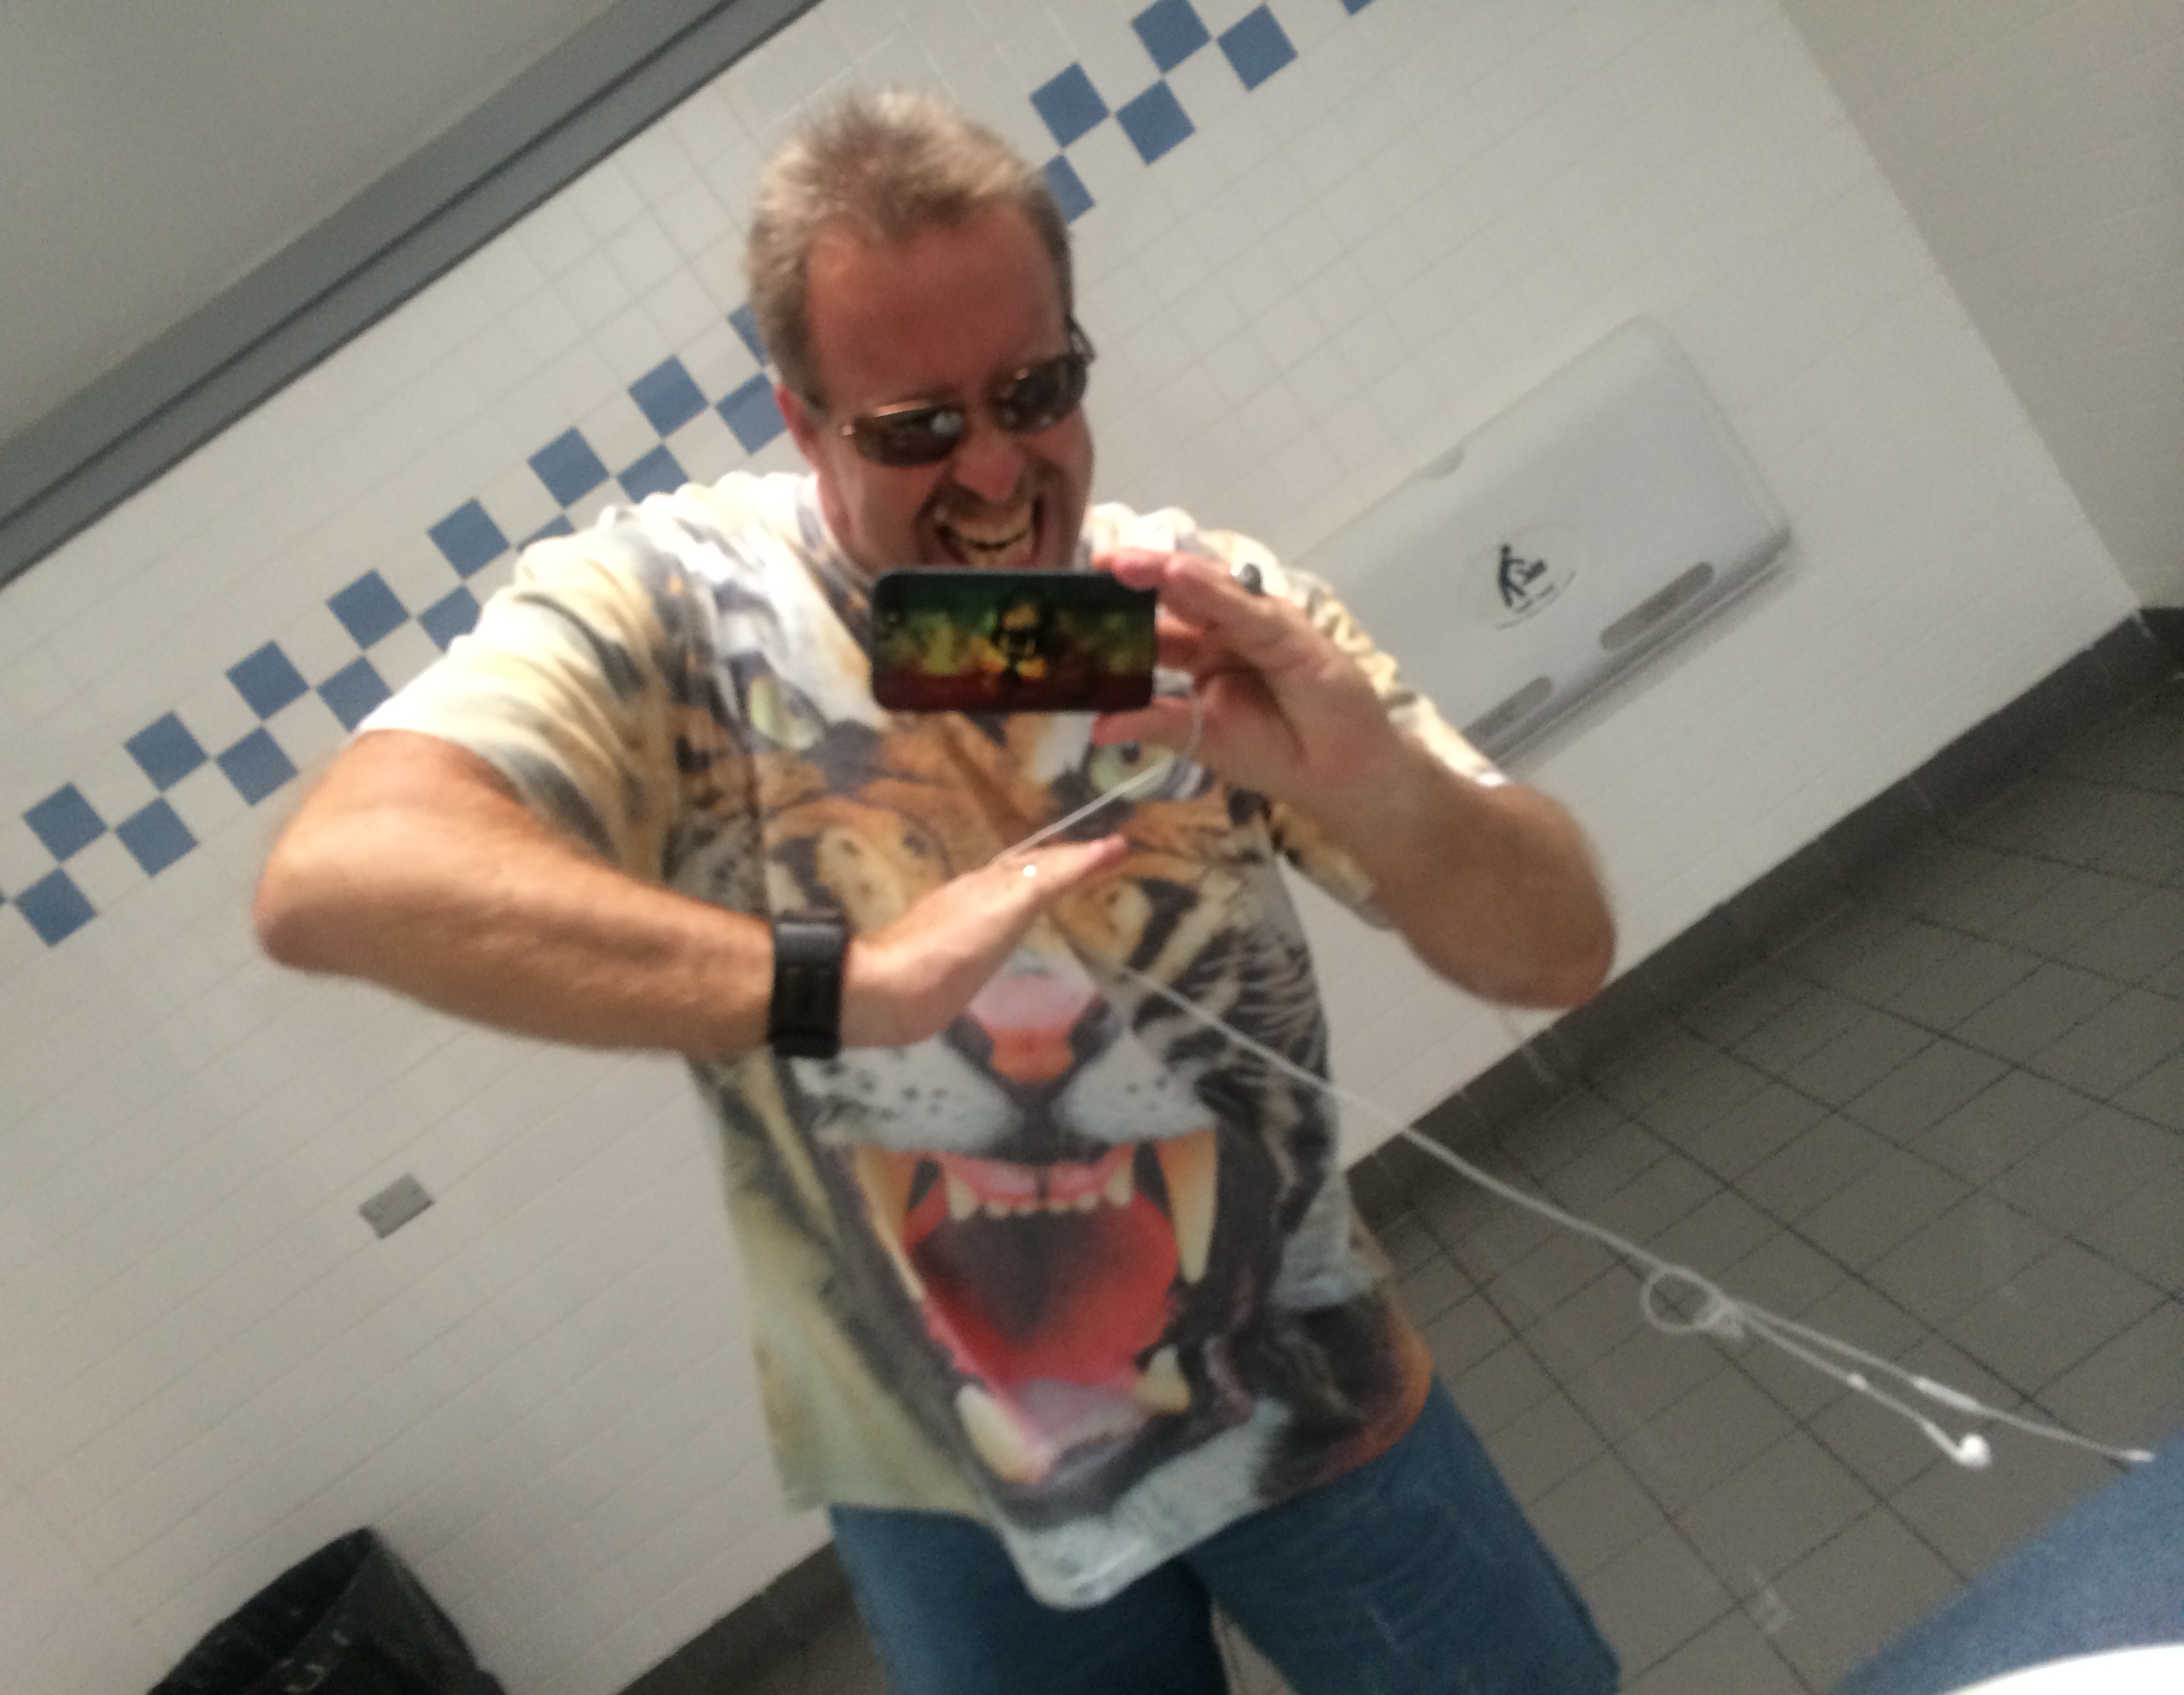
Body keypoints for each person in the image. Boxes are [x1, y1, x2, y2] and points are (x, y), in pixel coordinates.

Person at [256, 90, 1620, 1695]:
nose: (993, 468)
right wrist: (842, 986)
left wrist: (1373, 778)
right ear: (803, 420)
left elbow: (1561, 953)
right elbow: (340, 875)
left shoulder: (1199, 614)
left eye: (1035, 393)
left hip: (1298, 1389)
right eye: (914, 428)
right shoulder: (682, 617)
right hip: (943, 1483)